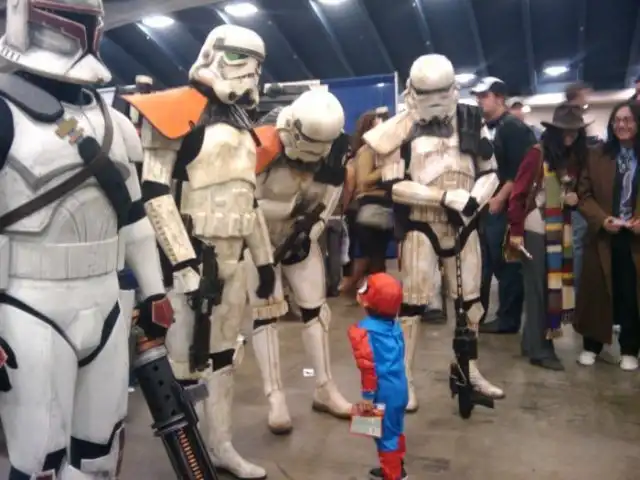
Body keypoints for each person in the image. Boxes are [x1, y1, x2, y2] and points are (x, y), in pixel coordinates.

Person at [0, 0, 174, 477]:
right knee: (39, 458)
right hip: (28, 306)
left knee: (100, 452)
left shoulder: (115, 122)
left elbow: (133, 216)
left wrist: (155, 292)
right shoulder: (5, 113)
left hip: (106, 302)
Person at [123, 25, 275, 478]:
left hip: (233, 260)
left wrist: (264, 259)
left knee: (225, 358)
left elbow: (249, 200)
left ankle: (220, 445)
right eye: (239, 59)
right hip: (191, 259)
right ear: (212, 54)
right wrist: (183, 262)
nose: (249, 72)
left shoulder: (244, 126)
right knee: (184, 366)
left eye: (256, 64)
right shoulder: (175, 111)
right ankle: (189, 458)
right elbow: (154, 191)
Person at [364, 54, 504, 413]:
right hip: (420, 224)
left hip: (464, 223)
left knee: (470, 303)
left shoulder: (471, 120)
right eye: (428, 94)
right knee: (412, 304)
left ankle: (468, 368)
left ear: (453, 89)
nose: (436, 102)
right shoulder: (397, 129)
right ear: (413, 92)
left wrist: (474, 199)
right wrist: (442, 198)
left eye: (442, 93)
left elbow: (490, 171)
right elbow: (394, 186)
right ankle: (404, 378)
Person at [247, 90, 353, 435]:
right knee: (265, 315)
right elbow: (244, 201)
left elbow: (331, 196)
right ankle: (274, 396)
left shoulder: (333, 149)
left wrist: (313, 228)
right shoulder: (260, 143)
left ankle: (324, 386)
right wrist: (289, 212)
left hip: (302, 238)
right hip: (259, 240)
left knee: (316, 312)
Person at [507, 103, 589, 371]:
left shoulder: (570, 158)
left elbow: (566, 193)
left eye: (574, 131)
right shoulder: (537, 154)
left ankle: (531, 343)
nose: (570, 135)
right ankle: (541, 350)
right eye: (565, 130)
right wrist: (516, 231)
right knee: (539, 291)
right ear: (555, 131)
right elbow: (517, 194)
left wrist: (572, 198)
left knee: (545, 289)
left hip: (557, 230)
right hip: (534, 229)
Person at [574, 101, 640, 372]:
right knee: (597, 291)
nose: (622, 125)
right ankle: (592, 345)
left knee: (630, 292)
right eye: (617, 120)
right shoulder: (597, 155)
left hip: (634, 238)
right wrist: (602, 219)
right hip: (603, 234)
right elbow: (583, 194)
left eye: (628, 120)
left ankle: (630, 348)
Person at [472, 77, 537, 334]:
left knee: (507, 263)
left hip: (506, 206)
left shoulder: (512, 128)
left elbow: (520, 171)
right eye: (477, 96)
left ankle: (508, 319)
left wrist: (500, 198)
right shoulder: (488, 128)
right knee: (490, 261)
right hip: (488, 203)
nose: (479, 100)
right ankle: (487, 314)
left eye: (484, 95)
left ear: (499, 97)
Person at [348, 273, 408, 480]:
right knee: (395, 430)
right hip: (400, 387)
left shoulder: (362, 332)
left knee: (385, 438)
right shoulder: (395, 326)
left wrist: (367, 396)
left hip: (382, 391)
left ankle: (393, 475)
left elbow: (368, 368)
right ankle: (397, 467)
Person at [339, 107, 392, 294]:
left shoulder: (381, 152)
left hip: (383, 207)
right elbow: (363, 181)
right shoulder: (366, 151)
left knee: (376, 257)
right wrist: (387, 169)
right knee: (372, 256)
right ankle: (373, 293)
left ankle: (375, 291)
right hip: (368, 208)